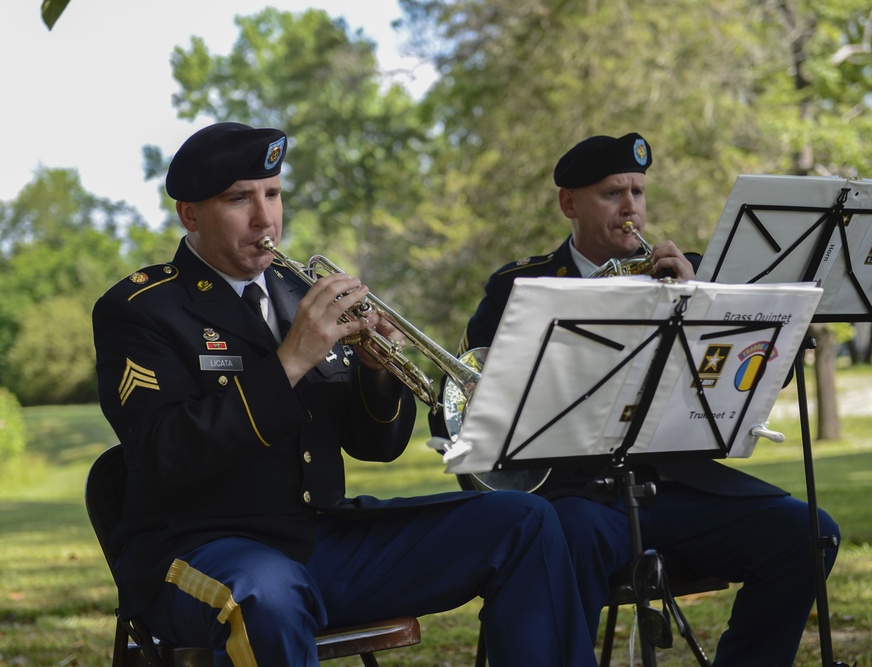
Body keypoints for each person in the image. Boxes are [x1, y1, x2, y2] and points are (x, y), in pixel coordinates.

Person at [92, 122, 599, 667]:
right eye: (239, 199)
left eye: (273, 193)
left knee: (525, 521)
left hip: (321, 540)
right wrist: (290, 360)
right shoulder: (142, 309)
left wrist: (378, 374)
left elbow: (374, 447)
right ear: (190, 215)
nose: (266, 218)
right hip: (199, 550)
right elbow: (168, 453)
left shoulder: (297, 294)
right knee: (266, 597)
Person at [432, 132, 841, 665]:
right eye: (612, 194)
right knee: (556, 547)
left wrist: (700, 305)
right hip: (575, 495)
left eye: (639, 193)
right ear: (569, 203)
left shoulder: (686, 273)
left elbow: (760, 372)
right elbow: (456, 403)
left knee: (808, 535)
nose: (632, 209)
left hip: (677, 485)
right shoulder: (518, 287)